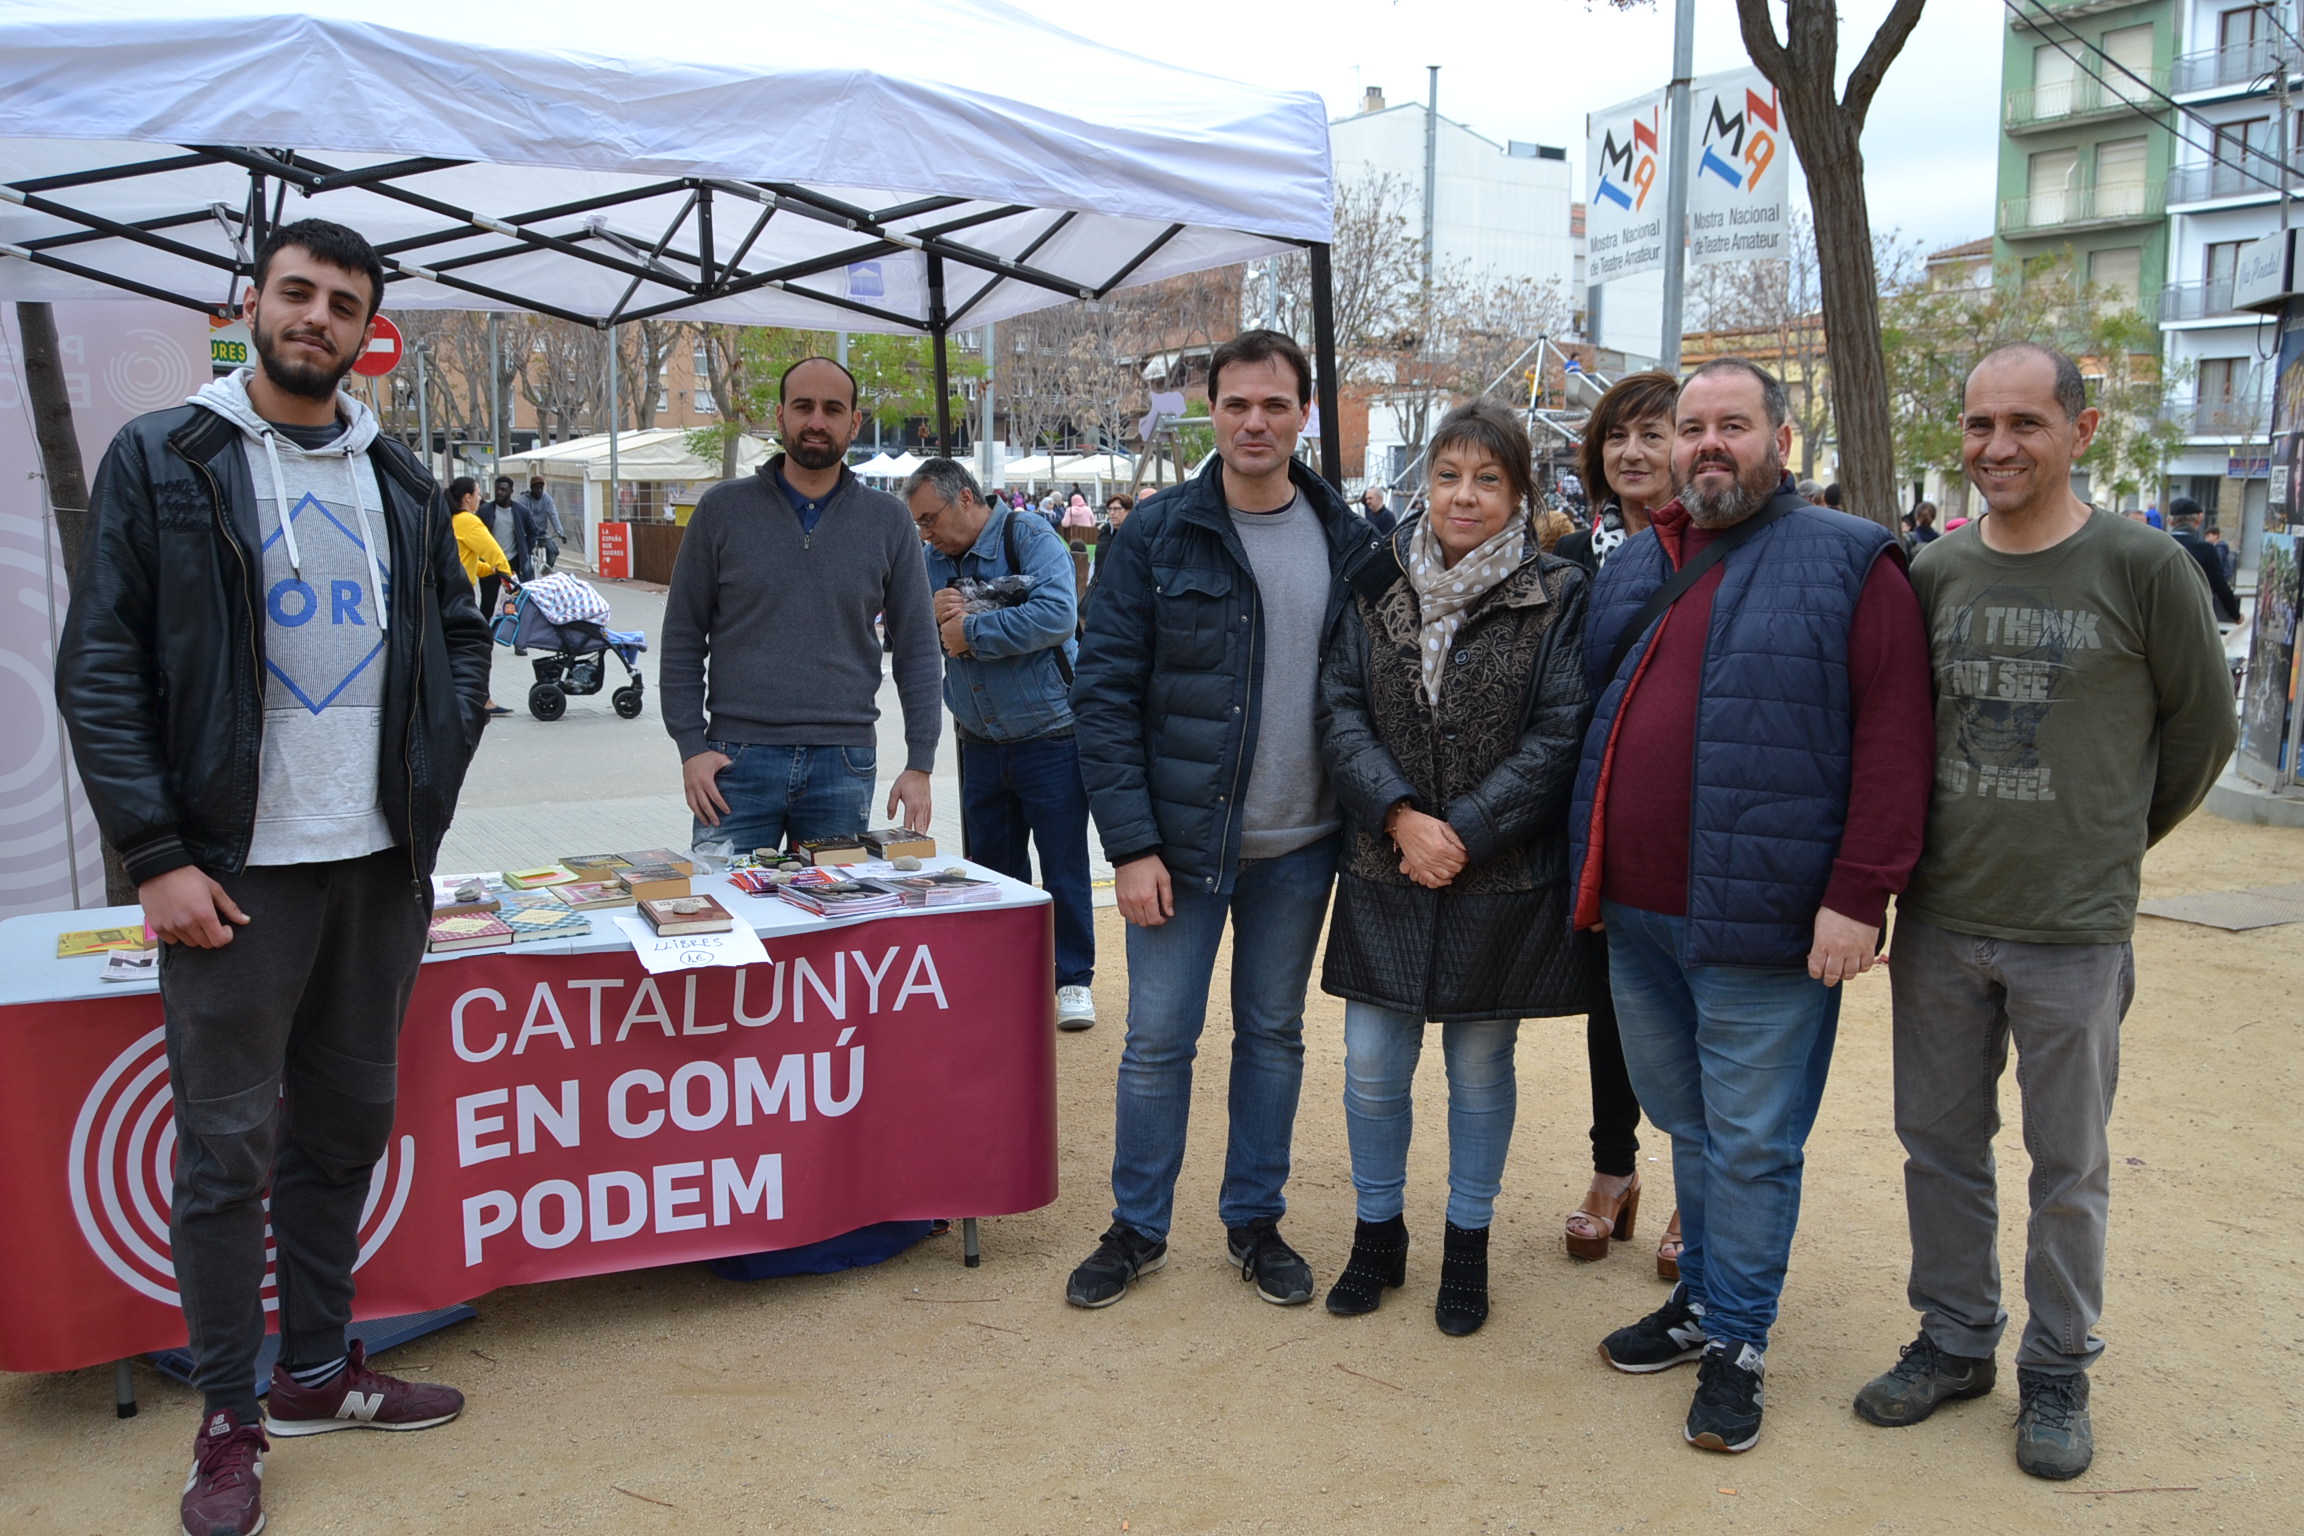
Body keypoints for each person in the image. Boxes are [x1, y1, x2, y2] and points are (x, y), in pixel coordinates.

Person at [55, 218, 489, 1536]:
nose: (316, 318)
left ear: (368, 332)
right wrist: (157, 853)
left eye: (341, 303)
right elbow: (103, 662)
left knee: (344, 1132)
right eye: (296, 293)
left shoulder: (406, 484)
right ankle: (232, 1415)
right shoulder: (165, 457)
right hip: (236, 876)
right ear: (252, 304)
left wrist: (433, 771)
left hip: (375, 870)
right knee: (224, 1155)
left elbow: (464, 640)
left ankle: (314, 1373)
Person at [1854, 343, 2238, 1481]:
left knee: (2067, 1162)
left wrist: (2108, 847)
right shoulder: (1934, 573)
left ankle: (2060, 1364)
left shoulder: (2144, 565)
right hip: (1941, 918)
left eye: (2025, 423)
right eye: (1980, 426)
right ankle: (1956, 1337)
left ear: (2081, 428)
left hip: (2073, 929)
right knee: (1937, 1143)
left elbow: (2201, 733)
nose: (1998, 448)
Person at [1569, 357, 1935, 1455]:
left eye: (1734, 425)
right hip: (1637, 914)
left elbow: (1895, 740)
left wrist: (1859, 895)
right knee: (1692, 1123)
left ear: (1782, 437)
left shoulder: (1850, 560)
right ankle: (1700, 1308)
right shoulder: (1639, 563)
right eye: (1693, 428)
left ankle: (1738, 1340)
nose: (1707, 445)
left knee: (1755, 1143)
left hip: (1767, 922)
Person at [1067, 329, 1380, 1310]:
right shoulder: (1157, 535)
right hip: (1179, 848)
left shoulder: (1350, 540)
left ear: (1304, 414)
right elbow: (1105, 696)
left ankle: (1255, 1220)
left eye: (1274, 404)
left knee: (1273, 1036)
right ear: (1213, 410)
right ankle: (1137, 1227)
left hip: (1302, 846)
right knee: (1158, 1041)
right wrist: (1131, 845)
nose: (1255, 421)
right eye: (1238, 403)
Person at [1316, 399, 1598, 1335]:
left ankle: (1467, 1243)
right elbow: (1339, 708)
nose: (1464, 497)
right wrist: (1400, 816)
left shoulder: (1556, 592)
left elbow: (1561, 733)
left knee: (1481, 1065)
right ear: (1423, 483)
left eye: (1487, 479)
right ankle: (1376, 1232)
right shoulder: (1371, 579)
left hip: (1499, 870)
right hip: (1385, 858)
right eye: (1448, 476)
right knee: (1370, 1065)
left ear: (1518, 490)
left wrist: (1464, 830)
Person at [662, 356, 939, 855]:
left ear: (854, 423)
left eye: (832, 409)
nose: (816, 421)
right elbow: (682, 636)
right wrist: (691, 748)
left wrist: (920, 762)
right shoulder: (721, 511)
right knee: (731, 920)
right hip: (734, 762)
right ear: (780, 415)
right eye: (803, 406)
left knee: (830, 926)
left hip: (844, 762)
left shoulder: (888, 521)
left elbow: (918, 647)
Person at [1551, 369, 1684, 1275]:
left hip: (1691, 813)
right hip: (1594, 811)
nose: (1632, 453)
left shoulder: (1724, 552)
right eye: (1616, 437)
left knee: (1702, 1006)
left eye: (1653, 434)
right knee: (1612, 1002)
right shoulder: (1571, 561)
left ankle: (1695, 1188)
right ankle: (1614, 1171)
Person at [908, 458, 1099, 1031]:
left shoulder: (1029, 535)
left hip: (1052, 732)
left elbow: (1057, 617)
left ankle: (1071, 978)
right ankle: (1005, 974)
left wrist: (970, 630)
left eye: (930, 518)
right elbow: (917, 635)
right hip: (978, 738)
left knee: (1063, 863)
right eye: (918, 523)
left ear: (965, 497)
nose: (925, 532)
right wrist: (933, 622)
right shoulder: (929, 559)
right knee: (992, 871)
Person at [449, 477, 515, 716]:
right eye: (477, 494)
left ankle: (466, 697)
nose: (480, 498)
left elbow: (465, 560)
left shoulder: (453, 521)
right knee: (480, 646)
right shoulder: (468, 520)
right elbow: (492, 550)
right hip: (459, 598)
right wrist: (507, 574)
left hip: (448, 595)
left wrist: (490, 571)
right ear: (467, 497)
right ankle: (482, 699)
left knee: (458, 649)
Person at [2166, 497, 2242, 623]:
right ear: (2198, 520)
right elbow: (2220, 585)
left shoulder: (2160, 545)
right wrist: (2236, 615)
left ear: (2170, 521)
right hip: (2194, 615)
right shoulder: (2205, 549)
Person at [517, 474, 565, 573]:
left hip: (541, 533)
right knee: (525, 558)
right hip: (528, 534)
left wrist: (560, 532)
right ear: (531, 488)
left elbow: (553, 515)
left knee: (552, 551)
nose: (539, 490)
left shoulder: (547, 499)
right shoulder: (523, 500)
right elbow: (519, 518)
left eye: (541, 488)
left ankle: (546, 570)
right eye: (536, 488)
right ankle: (528, 576)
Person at [1095, 491, 1134, 571]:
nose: (1112, 513)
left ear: (1128, 511)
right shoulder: (1105, 532)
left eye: (1116, 509)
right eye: (1109, 509)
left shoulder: (1135, 535)